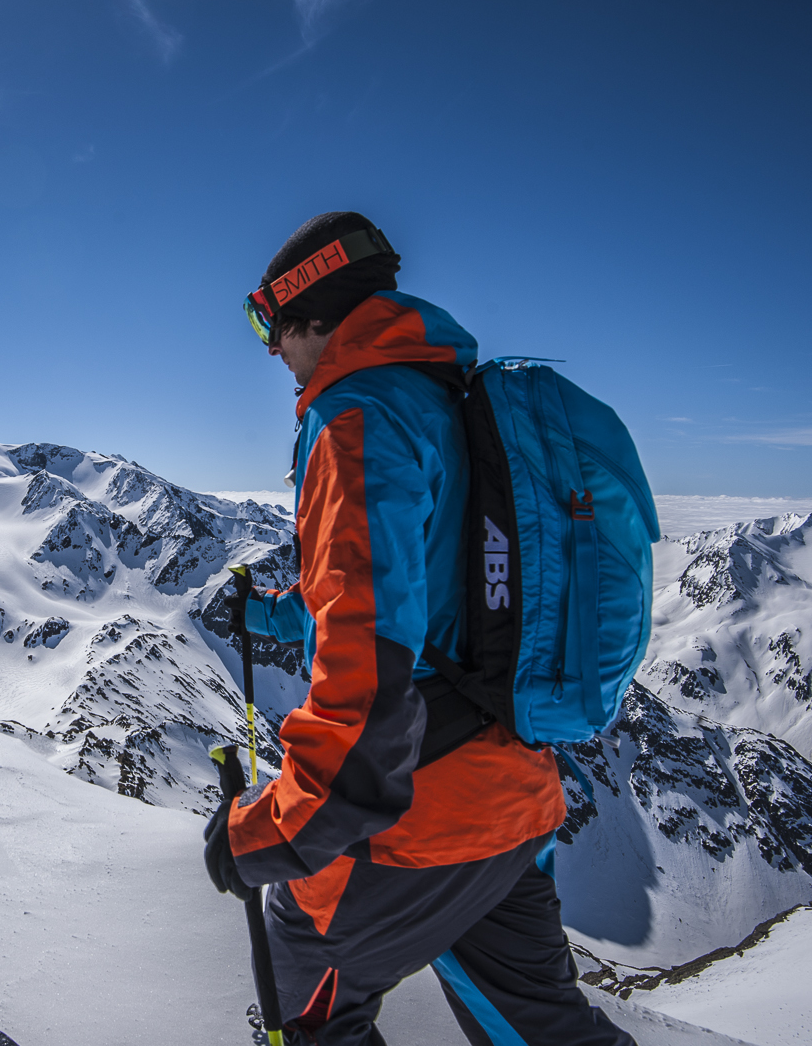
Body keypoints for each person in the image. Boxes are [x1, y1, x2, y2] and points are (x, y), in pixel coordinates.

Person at [204, 213, 634, 1046]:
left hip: (419, 823)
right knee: (546, 1031)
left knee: (306, 997)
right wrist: (263, 614)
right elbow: (407, 600)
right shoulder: (451, 401)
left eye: (272, 326)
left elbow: (365, 701)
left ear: (309, 316)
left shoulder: (355, 418)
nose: (273, 353)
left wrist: (261, 833)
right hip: (517, 799)